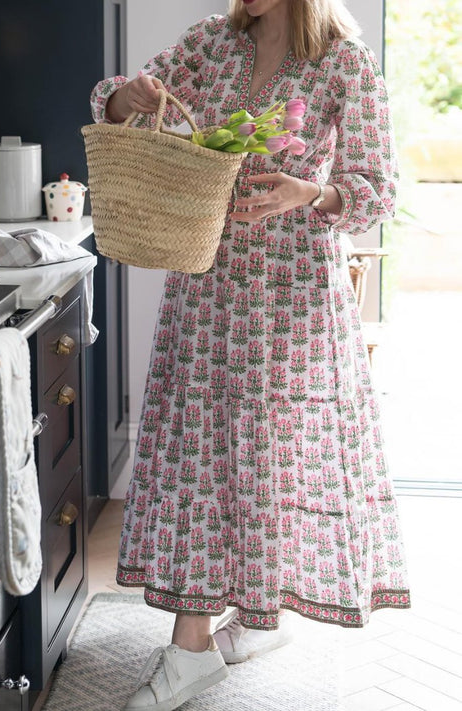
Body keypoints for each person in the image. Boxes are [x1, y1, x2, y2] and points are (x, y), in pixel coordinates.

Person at [90, 1, 411, 709]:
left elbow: (375, 187)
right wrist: (127, 97)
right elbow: (114, 105)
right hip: (205, 281)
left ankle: (247, 620)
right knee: (197, 452)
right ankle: (193, 646)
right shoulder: (212, 41)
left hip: (289, 294)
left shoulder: (342, 60)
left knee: (265, 456)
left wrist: (310, 192)